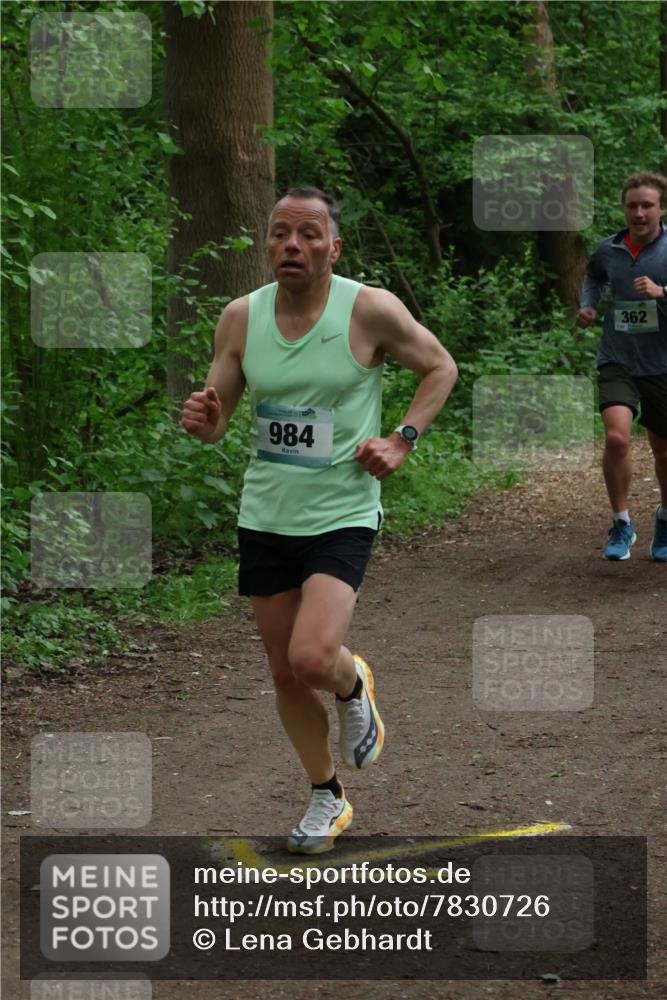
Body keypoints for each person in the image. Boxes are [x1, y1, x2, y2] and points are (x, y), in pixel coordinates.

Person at [181, 186, 458, 853]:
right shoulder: (241, 318)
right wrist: (204, 421)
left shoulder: (368, 309)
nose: (292, 245)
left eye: (308, 234)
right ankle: (326, 795)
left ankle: (352, 681)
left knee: (311, 658)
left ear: (333, 248)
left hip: (342, 511)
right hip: (266, 513)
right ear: (267, 244)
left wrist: (402, 439)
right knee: (284, 672)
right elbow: (217, 420)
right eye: (280, 233)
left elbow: (440, 367)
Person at [576, 171, 667, 561]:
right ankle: (622, 522)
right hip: (618, 358)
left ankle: (665, 520)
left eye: (647, 205)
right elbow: (593, 278)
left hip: (662, 362)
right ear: (624, 209)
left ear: (662, 208)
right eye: (633, 206)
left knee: (664, 451)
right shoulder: (609, 249)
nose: (639, 213)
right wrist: (588, 306)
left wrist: (663, 292)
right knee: (616, 439)